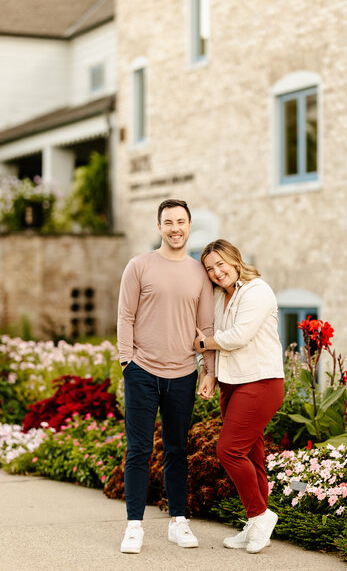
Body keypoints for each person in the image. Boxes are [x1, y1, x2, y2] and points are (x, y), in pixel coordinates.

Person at [117, 199, 215, 554]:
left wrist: (209, 371)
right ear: (159, 227)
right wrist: (127, 362)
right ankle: (134, 526)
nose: (175, 228)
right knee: (139, 451)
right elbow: (125, 315)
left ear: (189, 226)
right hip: (142, 372)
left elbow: (206, 327)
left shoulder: (199, 273)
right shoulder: (139, 265)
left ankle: (178, 521)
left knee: (177, 449)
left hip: (184, 373)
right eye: (168, 222)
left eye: (181, 221)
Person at [194, 239, 284, 554]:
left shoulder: (257, 290)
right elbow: (215, 337)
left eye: (221, 264)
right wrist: (209, 374)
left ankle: (261, 515)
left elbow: (237, 337)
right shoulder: (220, 297)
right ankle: (256, 523)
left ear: (235, 260)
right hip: (231, 383)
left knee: (229, 450)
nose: (217, 272)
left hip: (261, 381)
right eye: (210, 268)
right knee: (251, 455)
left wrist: (202, 344)